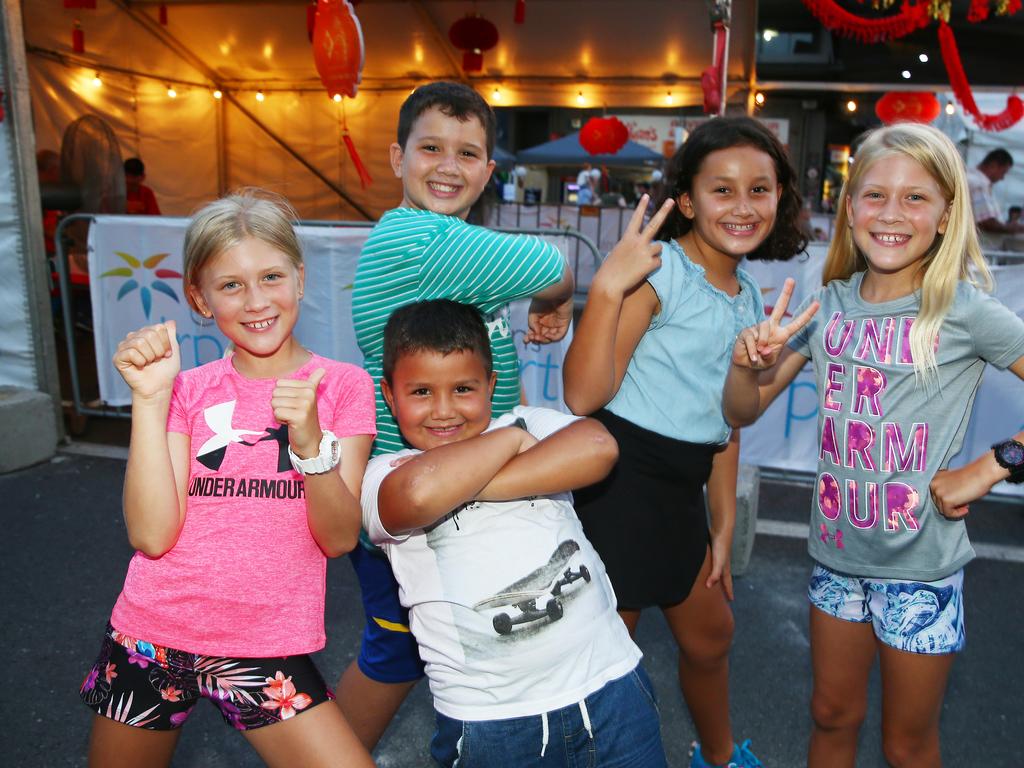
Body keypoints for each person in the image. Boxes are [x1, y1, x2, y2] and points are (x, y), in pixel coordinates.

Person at [722, 123, 1024, 768]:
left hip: (922, 571)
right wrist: (746, 364)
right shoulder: (826, 305)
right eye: (874, 195)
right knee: (831, 716)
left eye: (916, 198)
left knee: (906, 746)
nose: (891, 214)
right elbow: (739, 410)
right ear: (849, 206)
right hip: (835, 561)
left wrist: (992, 466)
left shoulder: (964, 311)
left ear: (946, 215)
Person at [79, 191, 376, 768]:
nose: (257, 300)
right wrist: (150, 398)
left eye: (271, 276)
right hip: (153, 632)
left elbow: (339, 540)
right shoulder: (184, 390)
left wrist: (311, 445)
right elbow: (152, 536)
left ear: (300, 278)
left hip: (267, 646)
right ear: (199, 297)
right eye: (231, 285)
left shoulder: (343, 387)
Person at [563, 116, 809, 768]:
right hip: (619, 487)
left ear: (780, 199)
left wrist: (723, 524)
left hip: (682, 491)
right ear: (690, 199)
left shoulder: (749, 294)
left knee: (711, 638)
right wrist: (610, 288)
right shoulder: (659, 269)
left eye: (760, 189)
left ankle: (719, 759)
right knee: (604, 659)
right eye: (722, 189)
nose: (743, 205)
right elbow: (584, 396)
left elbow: (724, 425)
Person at [339, 81, 575, 750]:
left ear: (490, 171)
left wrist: (543, 302)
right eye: (431, 148)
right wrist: (548, 300)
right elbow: (554, 264)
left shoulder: (458, 253)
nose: (448, 166)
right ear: (396, 157)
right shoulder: (415, 238)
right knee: (400, 650)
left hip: (454, 492)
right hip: (414, 503)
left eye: (467, 153)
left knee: (453, 647)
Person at [362, 299, 667, 767]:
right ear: (389, 395)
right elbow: (422, 496)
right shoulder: (385, 472)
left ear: (491, 386)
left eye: (463, 388)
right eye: (421, 392)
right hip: (491, 721)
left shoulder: (530, 421)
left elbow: (599, 447)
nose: (444, 411)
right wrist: (507, 444)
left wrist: (470, 483)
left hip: (612, 687)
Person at [966, 148, 1021, 248]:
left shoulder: (977, 181)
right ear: (993, 166)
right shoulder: (978, 184)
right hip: (978, 250)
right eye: (1003, 172)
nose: (1002, 178)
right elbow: (986, 222)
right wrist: (1010, 228)